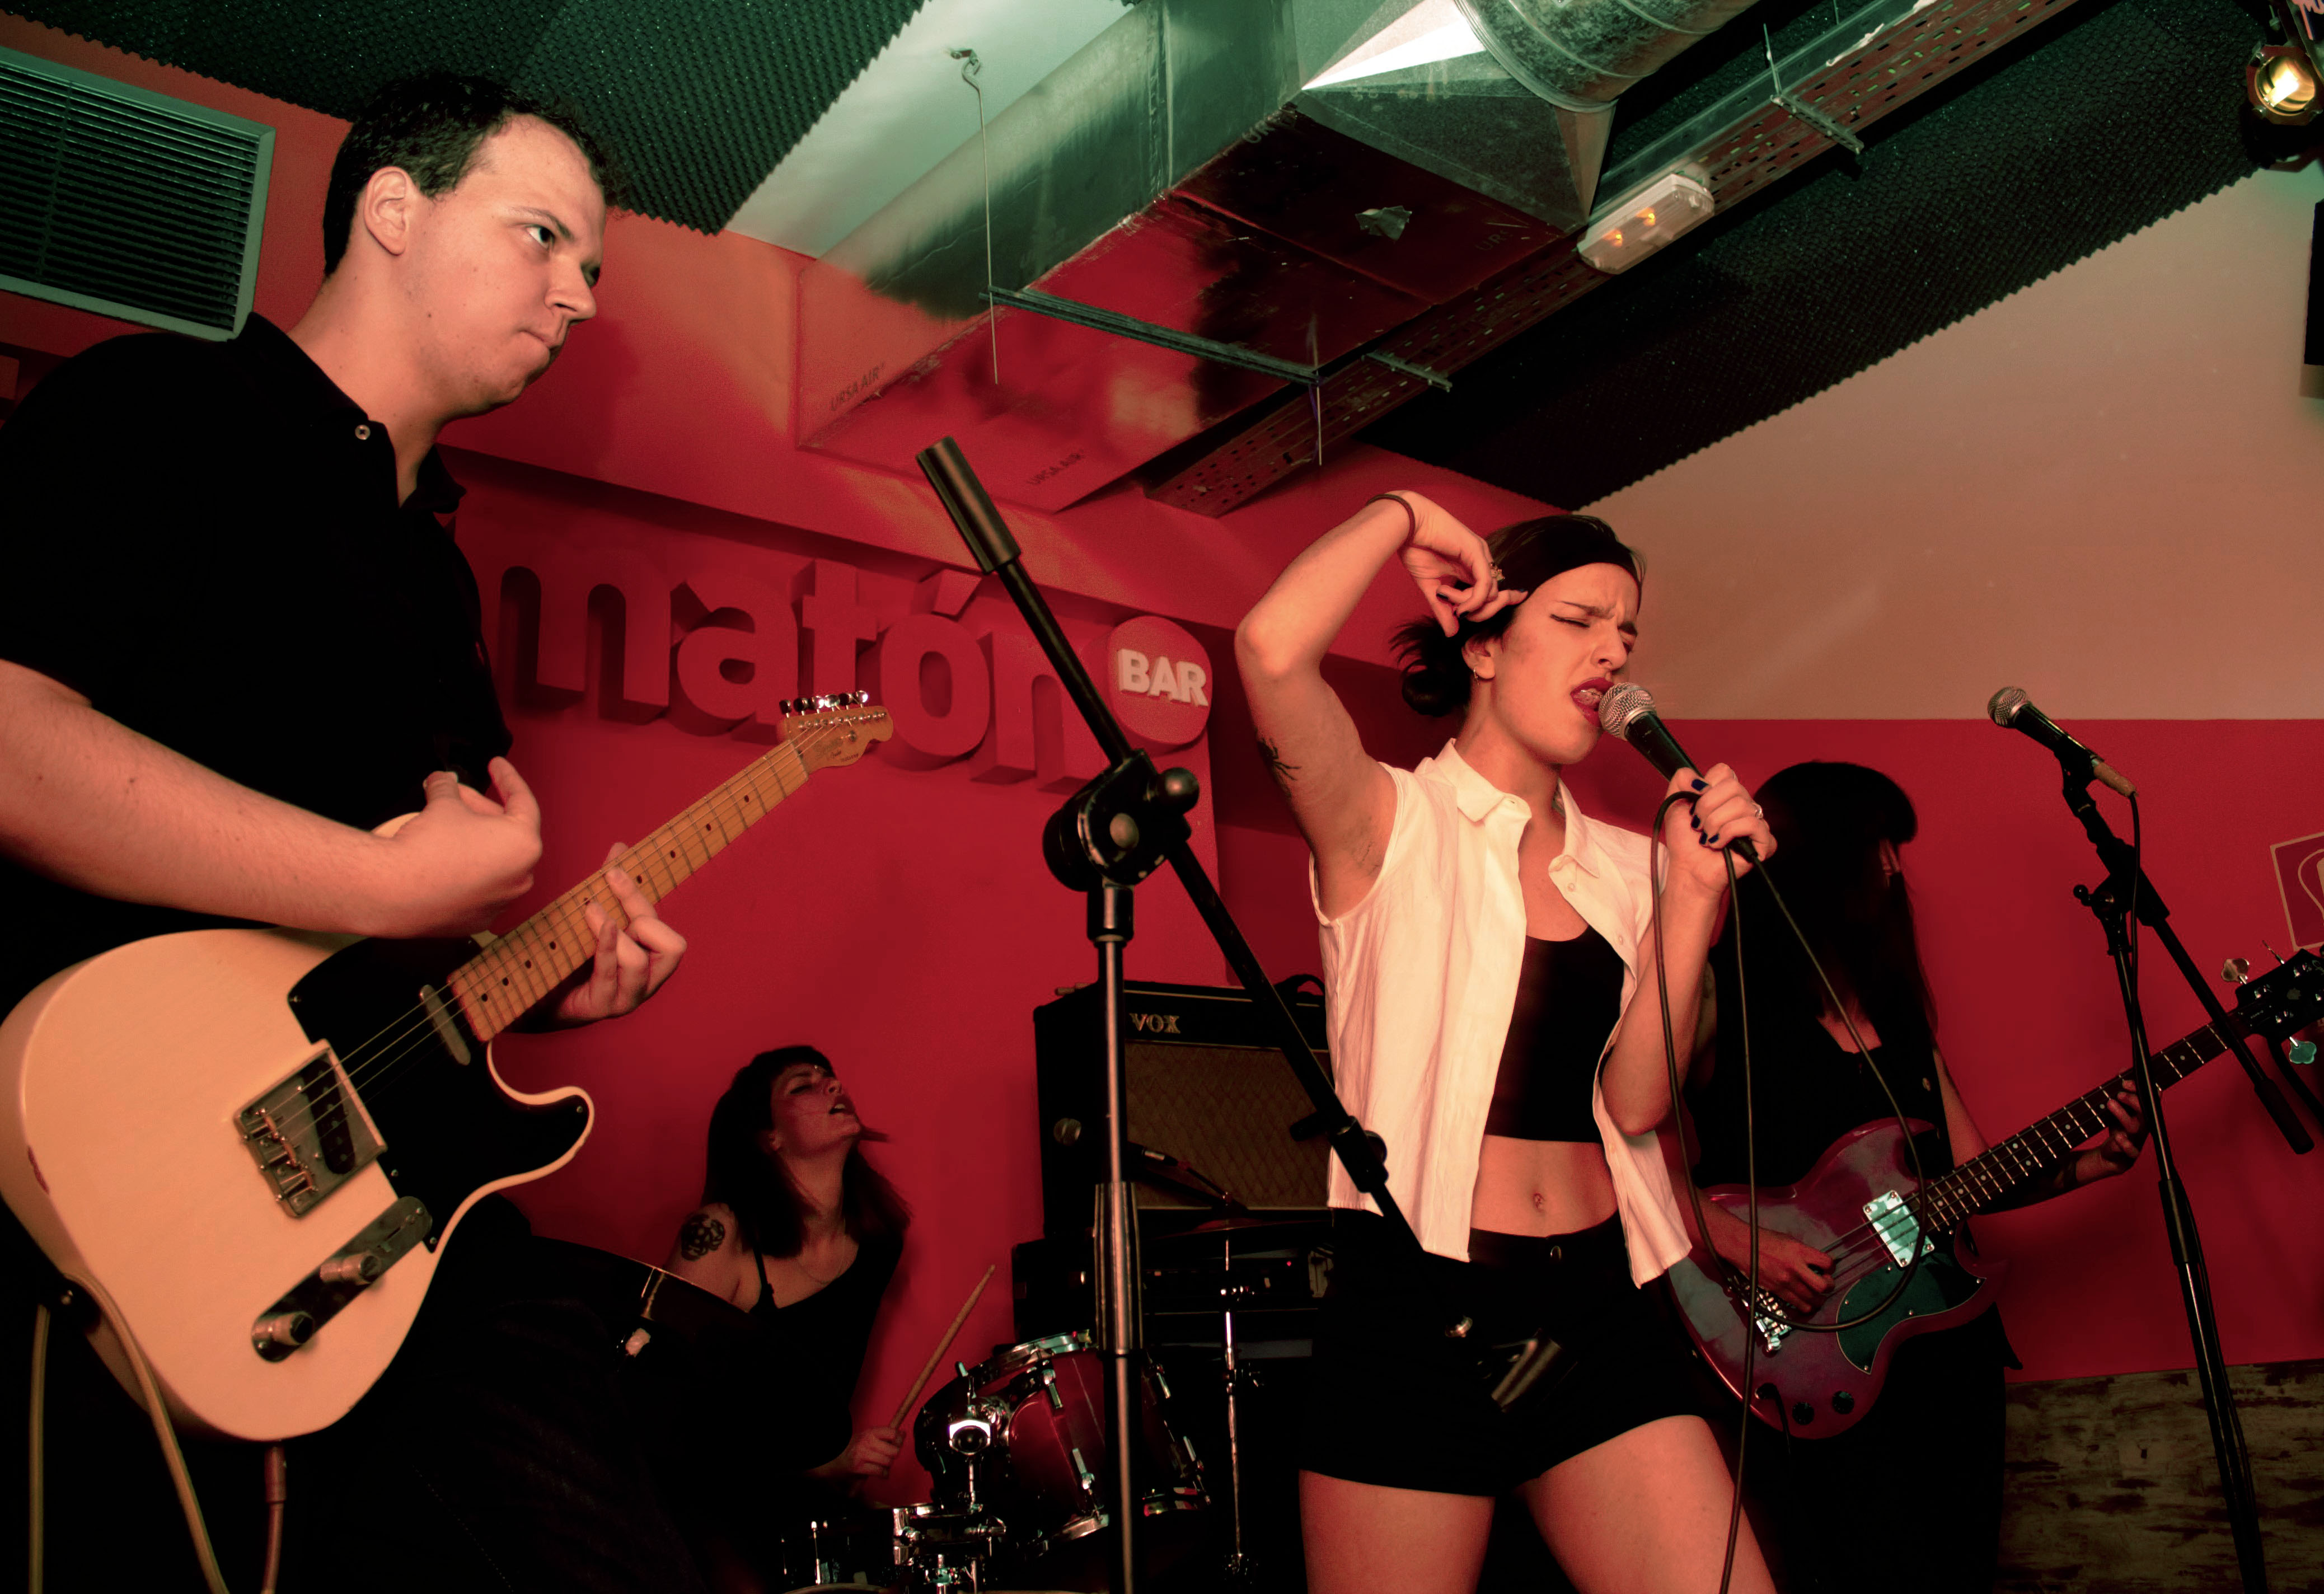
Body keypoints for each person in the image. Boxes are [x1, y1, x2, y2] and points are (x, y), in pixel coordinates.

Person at [0, 75, 693, 1592]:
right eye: (544, 237)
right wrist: (382, 880)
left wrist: (542, 981)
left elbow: (393, 941)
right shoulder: (151, 412)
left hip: (393, 1200)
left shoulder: (438, 577)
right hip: (113, 1185)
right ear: (392, 209)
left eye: (592, 266)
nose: (580, 296)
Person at [1234, 489, 1780, 1594]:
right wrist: (1404, 516)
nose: (1612, 652)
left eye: (1625, 634)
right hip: (1415, 1309)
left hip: (1600, 1304)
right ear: (1481, 643)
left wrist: (1691, 899)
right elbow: (1271, 649)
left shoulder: (1631, 865)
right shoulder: (1387, 821)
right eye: (1578, 620)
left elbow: (1636, 1103)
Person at [1682, 760, 2143, 1594]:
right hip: (1803, 1356)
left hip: (1943, 1351)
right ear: (1821, 860)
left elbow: (1973, 1173)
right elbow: (1614, 1149)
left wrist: (2090, 1162)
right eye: (1880, 847)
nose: (1896, 871)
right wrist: (1740, 1242)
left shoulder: (1896, 1014)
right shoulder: (1719, 997)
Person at [661, 1046, 911, 1590]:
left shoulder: (878, 1245)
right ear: (768, 1137)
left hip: (799, 1515)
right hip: (705, 1514)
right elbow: (665, 1415)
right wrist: (825, 1463)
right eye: (803, 1085)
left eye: (830, 1077)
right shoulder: (721, 1235)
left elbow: (808, 1409)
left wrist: (828, 1471)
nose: (834, 1086)